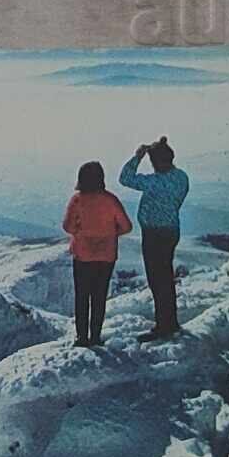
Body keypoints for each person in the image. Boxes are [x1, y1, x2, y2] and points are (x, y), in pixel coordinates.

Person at [119, 136, 190, 342]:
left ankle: (164, 326)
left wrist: (137, 156)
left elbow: (125, 178)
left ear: (158, 161)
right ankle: (169, 321)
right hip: (171, 230)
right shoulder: (181, 177)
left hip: (154, 234)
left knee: (157, 280)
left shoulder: (154, 181)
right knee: (165, 277)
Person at [62, 161, 133, 347]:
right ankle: (95, 337)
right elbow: (127, 226)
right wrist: (110, 233)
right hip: (106, 256)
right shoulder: (111, 199)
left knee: (82, 296)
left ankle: (81, 337)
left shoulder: (77, 200)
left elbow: (67, 226)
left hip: (83, 255)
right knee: (99, 297)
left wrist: (81, 231)